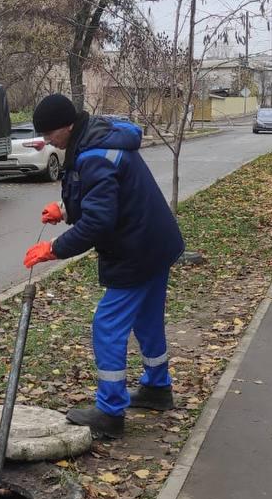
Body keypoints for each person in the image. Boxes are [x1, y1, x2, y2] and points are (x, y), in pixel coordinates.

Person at [23, 94, 185, 441]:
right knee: (147, 320)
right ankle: (158, 389)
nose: (47, 140)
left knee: (107, 325)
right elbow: (103, 196)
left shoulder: (94, 153)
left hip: (137, 249)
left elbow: (99, 221)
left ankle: (110, 412)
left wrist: (53, 249)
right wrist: (64, 211)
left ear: (67, 125)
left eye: (50, 133)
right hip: (155, 242)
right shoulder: (97, 138)